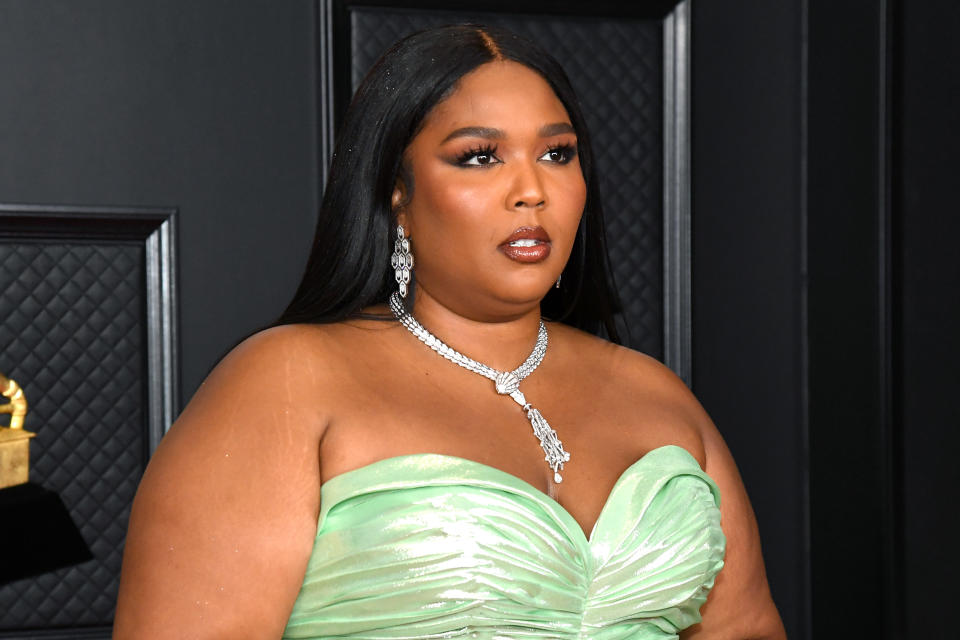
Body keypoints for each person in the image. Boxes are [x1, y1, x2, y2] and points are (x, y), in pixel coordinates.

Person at [114, 24, 786, 639]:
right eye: (479, 158)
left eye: (557, 154)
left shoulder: (656, 394)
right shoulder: (286, 381)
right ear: (396, 193)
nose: (531, 191)